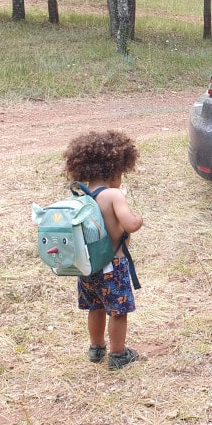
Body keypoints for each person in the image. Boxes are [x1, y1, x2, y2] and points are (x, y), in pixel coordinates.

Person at [63, 130, 144, 370]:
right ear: (116, 170)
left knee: (95, 307)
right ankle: (119, 355)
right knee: (118, 312)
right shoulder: (113, 195)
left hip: (87, 266)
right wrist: (137, 216)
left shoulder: (81, 195)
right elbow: (130, 225)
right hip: (113, 266)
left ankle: (96, 347)